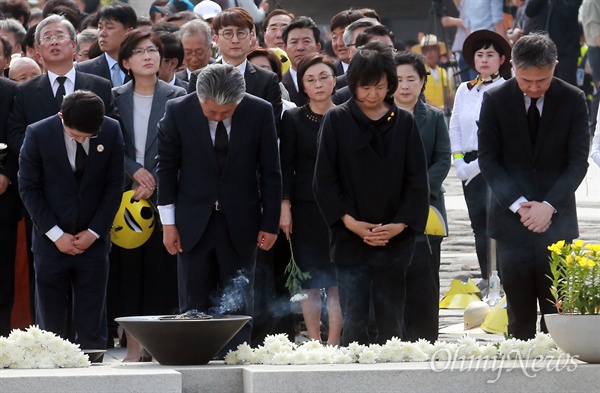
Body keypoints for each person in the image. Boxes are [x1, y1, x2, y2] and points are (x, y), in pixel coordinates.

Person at [157, 64, 281, 351]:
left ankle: (236, 355)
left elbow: (271, 171)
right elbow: (166, 168)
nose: (218, 117)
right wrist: (168, 223)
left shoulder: (259, 111)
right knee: (193, 299)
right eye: (211, 112)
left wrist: (269, 222)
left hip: (242, 218)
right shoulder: (178, 110)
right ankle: (193, 355)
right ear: (199, 98)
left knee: (237, 298)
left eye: (225, 113)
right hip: (192, 219)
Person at [313, 41, 429, 346]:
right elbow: (324, 180)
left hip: (395, 237)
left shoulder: (404, 122)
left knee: (391, 315)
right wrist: (351, 223)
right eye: (365, 87)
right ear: (353, 85)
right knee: (354, 319)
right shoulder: (337, 119)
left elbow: (417, 180)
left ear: (389, 84)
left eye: (379, 87)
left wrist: (400, 224)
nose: (372, 95)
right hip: (351, 235)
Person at [478, 33, 590, 340]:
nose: (534, 87)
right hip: (510, 219)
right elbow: (489, 159)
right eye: (526, 80)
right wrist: (520, 205)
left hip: (557, 219)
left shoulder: (572, 99)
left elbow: (578, 161)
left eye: (542, 80)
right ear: (512, 66)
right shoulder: (495, 99)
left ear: (554, 67)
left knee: (559, 309)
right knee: (518, 311)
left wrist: (548, 206)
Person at [18, 90, 124, 355]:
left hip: (94, 242)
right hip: (50, 241)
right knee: (50, 319)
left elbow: (114, 187)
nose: (81, 140)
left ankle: (93, 368)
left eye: (88, 136)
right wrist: (56, 234)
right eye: (75, 135)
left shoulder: (111, 131)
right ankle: (49, 368)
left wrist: (94, 232)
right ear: (62, 117)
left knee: (92, 317)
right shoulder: (38, 133)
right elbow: (29, 188)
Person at [109, 30, 185, 362]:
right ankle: (133, 348)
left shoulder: (178, 95)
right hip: (124, 194)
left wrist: (153, 176)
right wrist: (133, 171)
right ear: (126, 62)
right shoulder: (113, 97)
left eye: (153, 50)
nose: (148, 56)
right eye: (139, 51)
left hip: (164, 192)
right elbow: (111, 146)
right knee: (127, 273)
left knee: (160, 271)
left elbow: (182, 145)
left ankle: (157, 348)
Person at [279, 54, 342, 345]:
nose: (318, 84)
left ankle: (335, 340)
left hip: (340, 208)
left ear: (334, 80)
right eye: (310, 79)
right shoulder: (292, 118)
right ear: (302, 86)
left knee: (336, 280)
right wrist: (285, 206)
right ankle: (314, 340)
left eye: (324, 77)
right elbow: (286, 165)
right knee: (309, 281)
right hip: (304, 208)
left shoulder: (346, 114)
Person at [393, 50, 451, 343]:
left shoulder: (435, 117)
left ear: (422, 82)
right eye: (399, 79)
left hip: (427, 210)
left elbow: (442, 158)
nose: (404, 86)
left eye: (411, 79)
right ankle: (394, 340)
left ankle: (426, 340)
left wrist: (417, 190)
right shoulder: (380, 115)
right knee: (393, 281)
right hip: (386, 210)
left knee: (425, 280)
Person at [449, 29, 511, 290]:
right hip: (468, 165)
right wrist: (459, 161)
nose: (484, 60)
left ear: (502, 59)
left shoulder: (507, 88)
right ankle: (487, 276)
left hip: (497, 163)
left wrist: (478, 165)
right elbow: (455, 127)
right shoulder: (464, 89)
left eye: (490, 55)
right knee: (478, 224)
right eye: (479, 55)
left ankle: (505, 278)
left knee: (500, 223)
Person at [76, 1, 137, 87]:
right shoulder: (83, 69)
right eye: (100, 27)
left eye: (109, 28)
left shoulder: (141, 67)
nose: (102, 33)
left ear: (129, 32)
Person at [0, 76, 18, 337]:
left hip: (2, 198)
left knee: (2, 275)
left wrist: (6, 172)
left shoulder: (13, 92)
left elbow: (19, 137)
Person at [281, 16, 322, 106]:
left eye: (306, 41)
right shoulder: (278, 85)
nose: (300, 48)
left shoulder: (333, 80)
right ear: (285, 48)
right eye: (294, 42)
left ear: (317, 47)